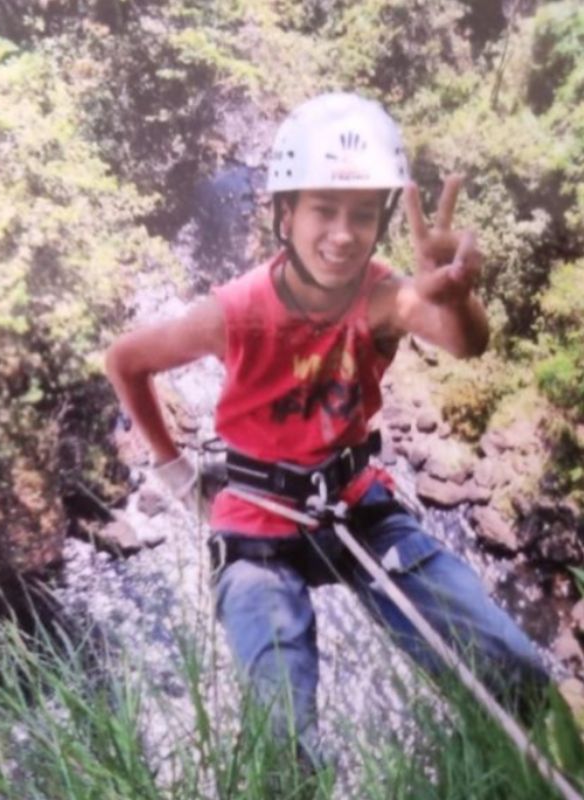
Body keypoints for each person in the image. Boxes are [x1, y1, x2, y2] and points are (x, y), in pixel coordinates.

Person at [104, 92, 551, 772]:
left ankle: (474, 778)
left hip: (357, 505)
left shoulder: (383, 297)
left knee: (515, 672)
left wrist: (454, 294)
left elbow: (466, 345)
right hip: (257, 525)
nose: (343, 233)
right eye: (323, 209)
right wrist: (177, 476)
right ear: (284, 214)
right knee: (283, 748)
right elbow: (126, 361)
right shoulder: (234, 313)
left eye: (362, 214)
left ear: (378, 225)